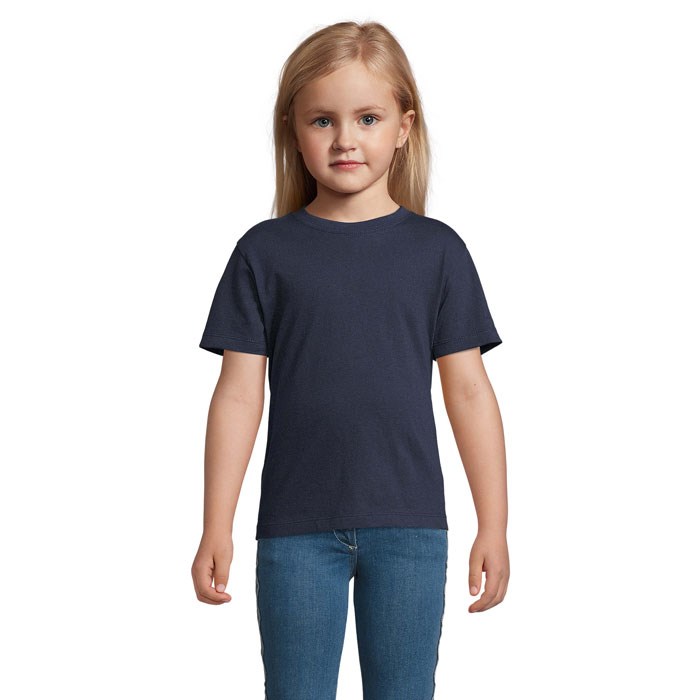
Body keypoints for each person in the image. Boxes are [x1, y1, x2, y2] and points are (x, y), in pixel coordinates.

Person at [191, 19, 509, 700]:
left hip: (410, 529)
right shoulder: (263, 254)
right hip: (295, 533)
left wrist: (495, 524)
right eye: (322, 120)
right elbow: (239, 395)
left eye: (367, 118)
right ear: (293, 130)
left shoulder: (438, 253)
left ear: (404, 127)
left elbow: (469, 393)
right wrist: (216, 523)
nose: (344, 139)